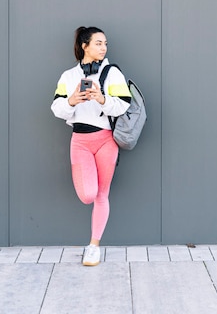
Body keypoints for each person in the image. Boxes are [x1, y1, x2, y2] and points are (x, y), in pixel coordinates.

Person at [51, 26, 131, 266]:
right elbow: (56, 109)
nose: (103, 48)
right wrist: (72, 100)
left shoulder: (112, 73)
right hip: (80, 141)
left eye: (105, 43)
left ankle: (93, 246)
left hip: (106, 139)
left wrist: (102, 99)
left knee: (102, 195)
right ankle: (93, 244)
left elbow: (123, 106)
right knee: (88, 195)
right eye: (98, 43)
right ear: (84, 46)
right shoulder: (68, 76)